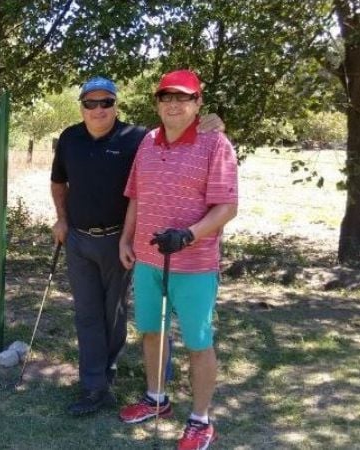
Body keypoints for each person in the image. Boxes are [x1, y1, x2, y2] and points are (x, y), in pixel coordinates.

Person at [51, 76, 223, 416]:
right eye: (90, 103)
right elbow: (58, 182)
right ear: (81, 106)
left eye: (106, 103)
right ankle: (94, 386)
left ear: (116, 105)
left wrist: (214, 124)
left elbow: (179, 132)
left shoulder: (138, 139)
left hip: (120, 240)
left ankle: (136, 375)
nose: (98, 109)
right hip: (79, 240)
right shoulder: (70, 138)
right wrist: (61, 218)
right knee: (87, 314)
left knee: (115, 314)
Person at [118, 69, 237, 450]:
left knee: (198, 342)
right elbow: (136, 195)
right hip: (149, 260)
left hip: (195, 264)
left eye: (183, 97)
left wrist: (188, 234)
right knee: (152, 331)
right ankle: (156, 399)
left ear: (197, 103)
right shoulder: (148, 143)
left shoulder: (216, 144)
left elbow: (227, 207)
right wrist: (126, 238)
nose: (174, 104)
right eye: (166, 97)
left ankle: (201, 421)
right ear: (157, 103)